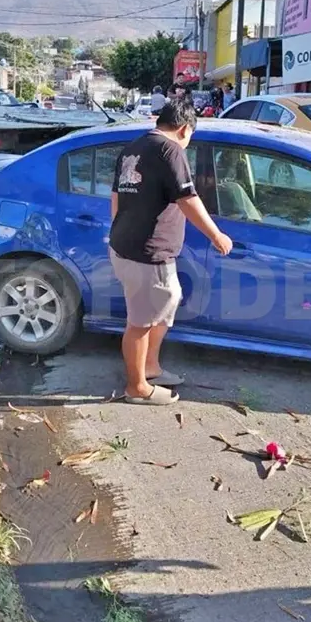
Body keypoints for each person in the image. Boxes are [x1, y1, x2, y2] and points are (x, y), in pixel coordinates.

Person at [108, 98, 232, 405]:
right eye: (190, 135)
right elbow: (187, 198)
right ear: (185, 128)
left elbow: (116, 197)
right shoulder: (170, 149)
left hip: (127, 247)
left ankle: (149, 365)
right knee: (140, 321)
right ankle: (136, 387)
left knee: (167, 300)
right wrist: (216, 235)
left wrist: (119, 231)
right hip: (148, 253)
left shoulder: (133, 147)